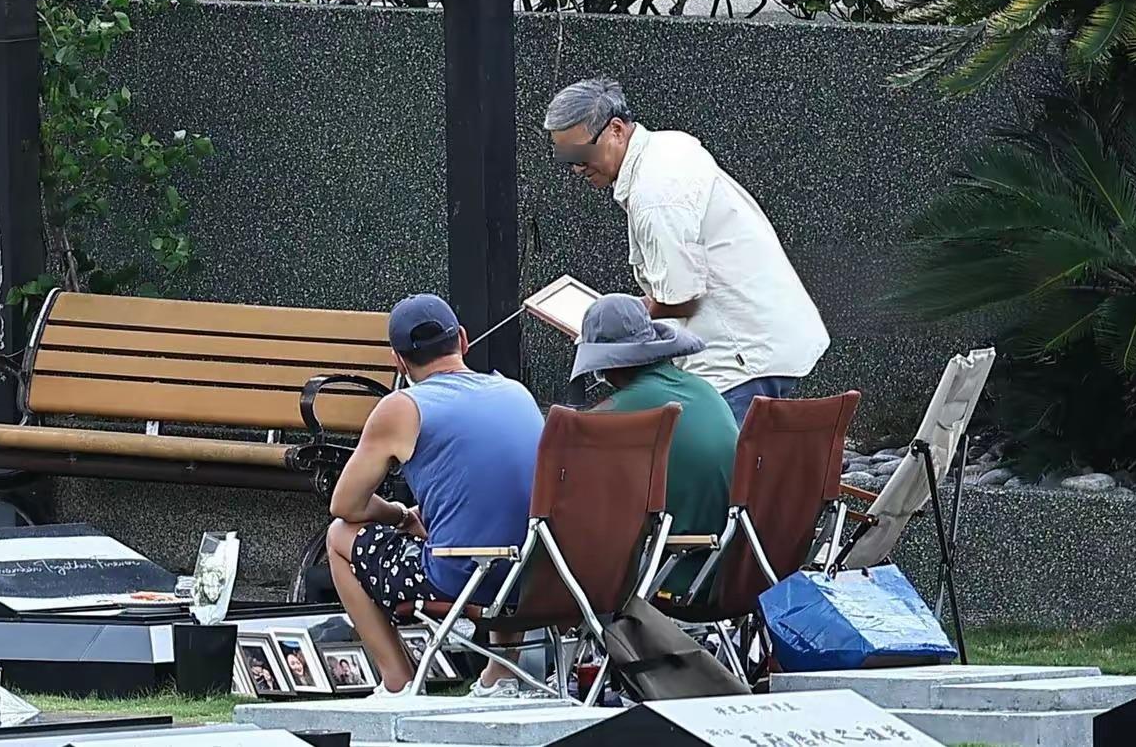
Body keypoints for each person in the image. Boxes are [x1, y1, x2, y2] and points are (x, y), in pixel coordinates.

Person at [544, 77, 831, 426]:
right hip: (768, 338)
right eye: (566, 158)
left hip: (739, 357)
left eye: (581, 154)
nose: (576, 168)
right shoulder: (667, 147)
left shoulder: (655, 195)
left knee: (711, 457)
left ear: (616, 130)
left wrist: (617, 322)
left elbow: (681, 298)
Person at [326, 293, 544, 698]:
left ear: (398, 361)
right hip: (535, 576)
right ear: (462, 339)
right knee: (499, 526)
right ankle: (500, 674)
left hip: (459, 577)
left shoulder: (402, 408)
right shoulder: (516, 392)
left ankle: (398, 682)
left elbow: (345, 504)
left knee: (339, 535)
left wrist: (399, 515)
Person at [572, 294, 739, 599]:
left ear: (604, 365)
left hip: (674, 576)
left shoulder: (613, 416)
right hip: (733, 571)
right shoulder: (704, 389)